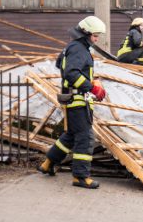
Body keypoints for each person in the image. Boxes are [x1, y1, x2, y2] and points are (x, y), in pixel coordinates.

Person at [38, 16, 107, 189]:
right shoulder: (78, 49)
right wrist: (91, 87)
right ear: (86, 33)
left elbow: (64, 66)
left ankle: (48, 163)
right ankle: (80, 177)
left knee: (71, 136)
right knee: (85, 137)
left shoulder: (76, 47)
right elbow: (71, 73)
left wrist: (92, 83)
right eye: (95, 35)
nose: (97, 39)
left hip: (75, 99)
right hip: (77, 100)